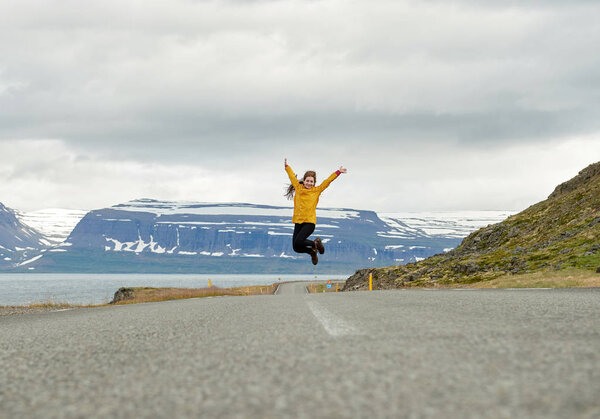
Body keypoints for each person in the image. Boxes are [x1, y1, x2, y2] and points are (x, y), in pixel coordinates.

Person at [284, 158, 347, 265]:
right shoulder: (298, 188)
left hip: (309, 222)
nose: (309, 183)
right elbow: (291, 176)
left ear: (314, 183)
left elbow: (327, 181)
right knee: (296, 247)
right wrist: (287, 167)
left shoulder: (317, 191)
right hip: (298, 222)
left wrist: (338, 172)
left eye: (311, 181)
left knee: (299, 241)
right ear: (304, 181)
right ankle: (312, 252)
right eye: (307, 181)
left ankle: (316, 243)